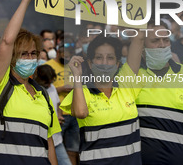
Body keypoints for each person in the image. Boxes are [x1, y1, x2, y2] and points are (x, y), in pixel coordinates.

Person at [0, 0, 61, 164]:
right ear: (12, 58)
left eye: (33, 54)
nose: (30, 58)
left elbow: (49, 142)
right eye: (23, 54)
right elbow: (7, 41)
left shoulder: (42, 94)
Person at [136, 20, 183, 165]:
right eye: (155, 40)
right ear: (141, 46)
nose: (162, 45)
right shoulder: (131, 77)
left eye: (166, 40)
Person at [60, 32, 144, 165]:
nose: (105, 63)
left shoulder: (126, 85)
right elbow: (81, 113)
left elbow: (138, 39)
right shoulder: (81, 92)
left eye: (110, 58)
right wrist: (77, 76)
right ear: (90, 63)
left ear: (117, 64)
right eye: (99, 57)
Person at [45, 35, 79, 165]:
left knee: (73, 149)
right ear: (58, 51)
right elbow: (43, 89)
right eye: (65, 53)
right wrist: (61, 89)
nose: (67, 56)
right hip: (57, 115)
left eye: (70, 54)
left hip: (74, 113)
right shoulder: (48, 66)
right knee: (54, 148)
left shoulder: (74, 65)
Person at [35, 65, 71, 165]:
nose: (50, 84)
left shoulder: (52, 88)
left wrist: (59, 116)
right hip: (41, 142)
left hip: (57, 140)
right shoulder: (34, 92)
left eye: (51, 81)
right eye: (47, 82)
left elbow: (58, 104)